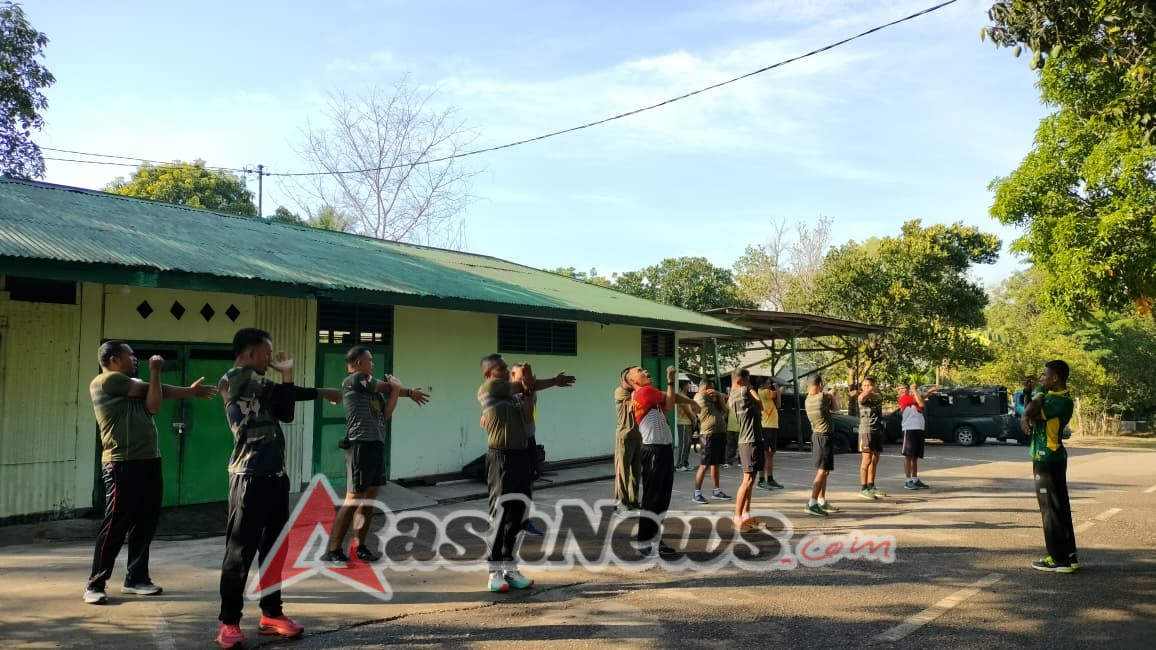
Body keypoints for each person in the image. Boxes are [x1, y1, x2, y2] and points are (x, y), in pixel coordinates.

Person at [216, 328, 342, 649]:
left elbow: (285, 412)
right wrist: (302, 383)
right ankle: (229, 623)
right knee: (240, 552)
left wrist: (295, 382)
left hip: (274, 475)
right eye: (267, 353)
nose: (270, 359)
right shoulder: (237, 378)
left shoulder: (259, 386)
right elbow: (290, 395)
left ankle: (271, 614)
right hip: (249, 475)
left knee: (274, 550)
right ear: (249, 353)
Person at [84, 341, 217, 605]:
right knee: (115, 524)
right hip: (122, 462)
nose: (135, 359)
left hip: (148, 460)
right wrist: (159, 373)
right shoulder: (106, 380)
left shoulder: (132, 382)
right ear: (112, 359)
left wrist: (187, 392)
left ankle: (136, 578)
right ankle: (95, 584)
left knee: (145, 521)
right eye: (129, 355)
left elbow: (154, 400)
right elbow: (156, 399)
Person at [478, 354, 575, 592]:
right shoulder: (489, 387)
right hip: (501, 457)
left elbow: (528, 417)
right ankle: (494, 571)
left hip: (521, 455)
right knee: (500, 513)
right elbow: (523, 384)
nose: (502, 369)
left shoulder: (517, 396)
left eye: (504, 366)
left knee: (518, 513)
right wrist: (552, 381)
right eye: (500, 367)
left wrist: (530, 391)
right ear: (489, 372)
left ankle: (510, 568)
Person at [324, 346, 429, 564]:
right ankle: (334, 550)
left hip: (375, 445)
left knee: (369, 499)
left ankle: (360, 547)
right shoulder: (356, 379)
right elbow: (386, 386)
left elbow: (385, 413)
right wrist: (401, 389)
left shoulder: (370, 390)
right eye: (369, 360)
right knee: (353, 498)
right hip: (360, 445)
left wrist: (399, 392)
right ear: (359, 362)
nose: (372, 364)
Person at [1022, 360, 1078, 573]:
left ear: (1055, 378)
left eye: (1045, 375)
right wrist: (1029, 394)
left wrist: (1035, 396)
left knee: (1050, 510)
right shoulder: (1049, 397)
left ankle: (1059, 559)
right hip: (1050, 458)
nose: (1041, 379)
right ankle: (1069, 556)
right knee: (1059, 507)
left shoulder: (1061, 401)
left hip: (1048, 458)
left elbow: (1032, 413)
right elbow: (1029, 410)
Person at [509, 362, 570, 536]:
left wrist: (555, 381)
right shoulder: (505, 393)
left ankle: (524, 520)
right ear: (512, 378)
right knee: (509, 485)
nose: (527, 381)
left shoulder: (531, 392)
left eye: (529, 377)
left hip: (528, 442)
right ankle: (507, 520)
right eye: (522, 378)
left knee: (528, 483)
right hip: (511, 445)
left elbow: (528, 417)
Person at [629, 365, 680, 558]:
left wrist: (671, 384)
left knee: (662, 498)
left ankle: (656, 539)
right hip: (654, 450)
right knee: (653, 497)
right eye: (639, 371)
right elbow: (670, 403)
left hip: (663, 449)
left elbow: (668, 401)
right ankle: (644, 540)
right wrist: (670, 380)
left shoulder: (648, 394)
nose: (645, 371)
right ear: (633, 381)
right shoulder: (645, 392)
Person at [729, 369, 765, 531]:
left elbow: (758, 407)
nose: (750, 385)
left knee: (751, 480)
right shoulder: (742, 391)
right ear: (739, 381)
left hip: (754, 439)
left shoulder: (737, 392)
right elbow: (761, 405)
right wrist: (751, 389)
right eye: (747, 381)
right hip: (748, 441)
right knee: (747, 480)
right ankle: (737, 517)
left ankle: (746, 515)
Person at [804, 375, 839, 516]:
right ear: (820, 384)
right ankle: (811, 503)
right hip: (823, 437)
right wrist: (833, 393)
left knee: (825, 471)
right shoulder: (822, 397)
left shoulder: (808, 398)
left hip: (819, 436)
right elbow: (836, 409)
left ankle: (821, 500)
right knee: (822, 471)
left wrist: (830, 395)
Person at [692, 378, 731, 504]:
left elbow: (726, 410)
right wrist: (720, 395)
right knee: (704, 464)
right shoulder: (699, 396)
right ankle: (696, 493)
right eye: (711, 388)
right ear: (704, 387)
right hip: (707, 435)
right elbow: (721, 396)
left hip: (719, 433)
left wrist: (719, 397)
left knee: (716, 464)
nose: (713, 391)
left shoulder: (715, 401)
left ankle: (716, 491)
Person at [614, 368, 643, 513]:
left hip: (638, 437)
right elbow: (634, 402)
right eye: (630, 378)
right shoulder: (620, 391)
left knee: (636, 472)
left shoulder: (637, 392)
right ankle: (621, 501)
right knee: (623, 472)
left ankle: (634, 499)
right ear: (623, 380)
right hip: (624, 436)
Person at [898, 384, 938, 490]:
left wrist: (930, 391)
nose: (903, 390)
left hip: (919, 428)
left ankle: (915, 479)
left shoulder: (913, 397)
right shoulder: (903, 398)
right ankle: (908, 481)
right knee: (908, 456)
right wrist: (914, 390)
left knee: (915, 456)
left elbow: (921, 397)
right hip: (909, 429)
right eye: (900, 389)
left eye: (904, 388)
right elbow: (921, 401)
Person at [852, 377, 886, 500]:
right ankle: (863, 488)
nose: (867, 387)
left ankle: (871, 486)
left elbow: (876, 397)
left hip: (877, 430)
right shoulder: (861, 398)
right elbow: (861, 398)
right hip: (866, 430)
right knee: (866, 459)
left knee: (875, 458)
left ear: (874, 386)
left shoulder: (878, 395)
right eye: (865, 385)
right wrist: (862, 392)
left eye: (870, 385)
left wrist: (863, 391)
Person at [757, 378, 783, 490]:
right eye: (768, 383)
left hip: (772, 426)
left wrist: (777, 391)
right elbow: (778, 393)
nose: (770, 385)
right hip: (766, 427)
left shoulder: (768, 394)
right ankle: (761, 480)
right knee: (765, 454)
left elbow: (778, 404)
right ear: (762, 384)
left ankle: (770, 479)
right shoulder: (764, 392)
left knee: (770, 455)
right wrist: (777, 388)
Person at [674, 380, 698, 472]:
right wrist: (694, 419)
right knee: (683, 445)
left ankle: (685, 463)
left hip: (688, 423)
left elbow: (692, 409)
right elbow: (688, 411)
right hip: (683, 423)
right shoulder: (680, 396)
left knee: (687, 444)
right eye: (688, 385)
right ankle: (680, 465)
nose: (689, 386)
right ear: (684, 386)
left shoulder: (686, 397)